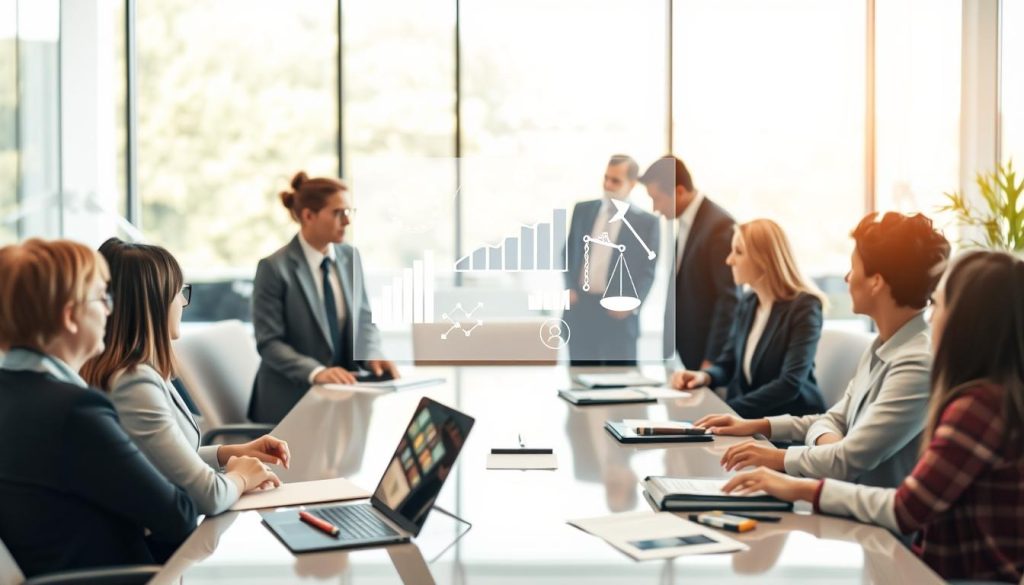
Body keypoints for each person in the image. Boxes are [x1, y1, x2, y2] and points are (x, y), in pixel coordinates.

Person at [723, 250, 1024, 583]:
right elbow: (834, 418)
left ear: (965, 321)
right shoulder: (990, 395)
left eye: (938, 304)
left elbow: (905, 509)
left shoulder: (978, 407)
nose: (931, 316)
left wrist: (796, 487)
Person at [695, 212, 951, 488]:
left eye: (854, 268)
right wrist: (760, 426)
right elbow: (831, 420)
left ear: (876, 282)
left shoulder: (916, 363)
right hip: (837, 495)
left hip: (866, 520)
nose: (846, 278)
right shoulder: (881, 347)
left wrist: (779, 457)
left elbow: (846, 461)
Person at [0, 239, 198, 577]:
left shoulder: (13, 393)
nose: (110, 310)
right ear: (70, 317)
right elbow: (178, 516)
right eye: (102, 298)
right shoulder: (75, 411)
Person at [81, 238, 286, 516]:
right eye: (178, 292)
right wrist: (241, 477)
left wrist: (230, 453)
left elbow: (156, 461)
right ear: (153, 302)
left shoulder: (138, 370)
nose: (182, 302)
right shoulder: (133, 382)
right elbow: (208, 497)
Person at [250, 171, 397, 423]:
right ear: (308, 215)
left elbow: (364, 320)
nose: (347, 221)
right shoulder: (274, 268)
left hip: (346, 396)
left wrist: (372, 353)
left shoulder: (351, 257)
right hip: (291, 402)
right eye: (339, 213)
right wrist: (317, 372)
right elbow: (269, 343)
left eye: (350, 212)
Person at [671, 219, 827, 418]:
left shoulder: (805, 307)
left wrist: (728, 411)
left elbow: (790, 383)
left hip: (789, 425)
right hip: (751, 420)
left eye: (738, 251)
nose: (729, 260)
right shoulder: (748, 302)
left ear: (763, 259)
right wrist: (705, 376)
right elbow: (728, 363)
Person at [639, 155, 738, 369]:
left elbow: (728, 299)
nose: (655, 208)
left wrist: (711, 360)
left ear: (680, 192)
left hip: (705, 358)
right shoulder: (685, 222)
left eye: (657, 198)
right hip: (681, 354)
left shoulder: (719, 226)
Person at [563, 154, 660, 364]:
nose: (608, 185)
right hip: (581, 311)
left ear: (632, 184)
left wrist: (632, 305)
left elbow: (649, 271)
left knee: (621, 386)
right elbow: (568, 252)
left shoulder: (646, 223)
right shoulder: (583, 210)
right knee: (579, 383)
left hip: (618, 317)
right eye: (606, 178)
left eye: (615, 181)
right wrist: (569, 287)